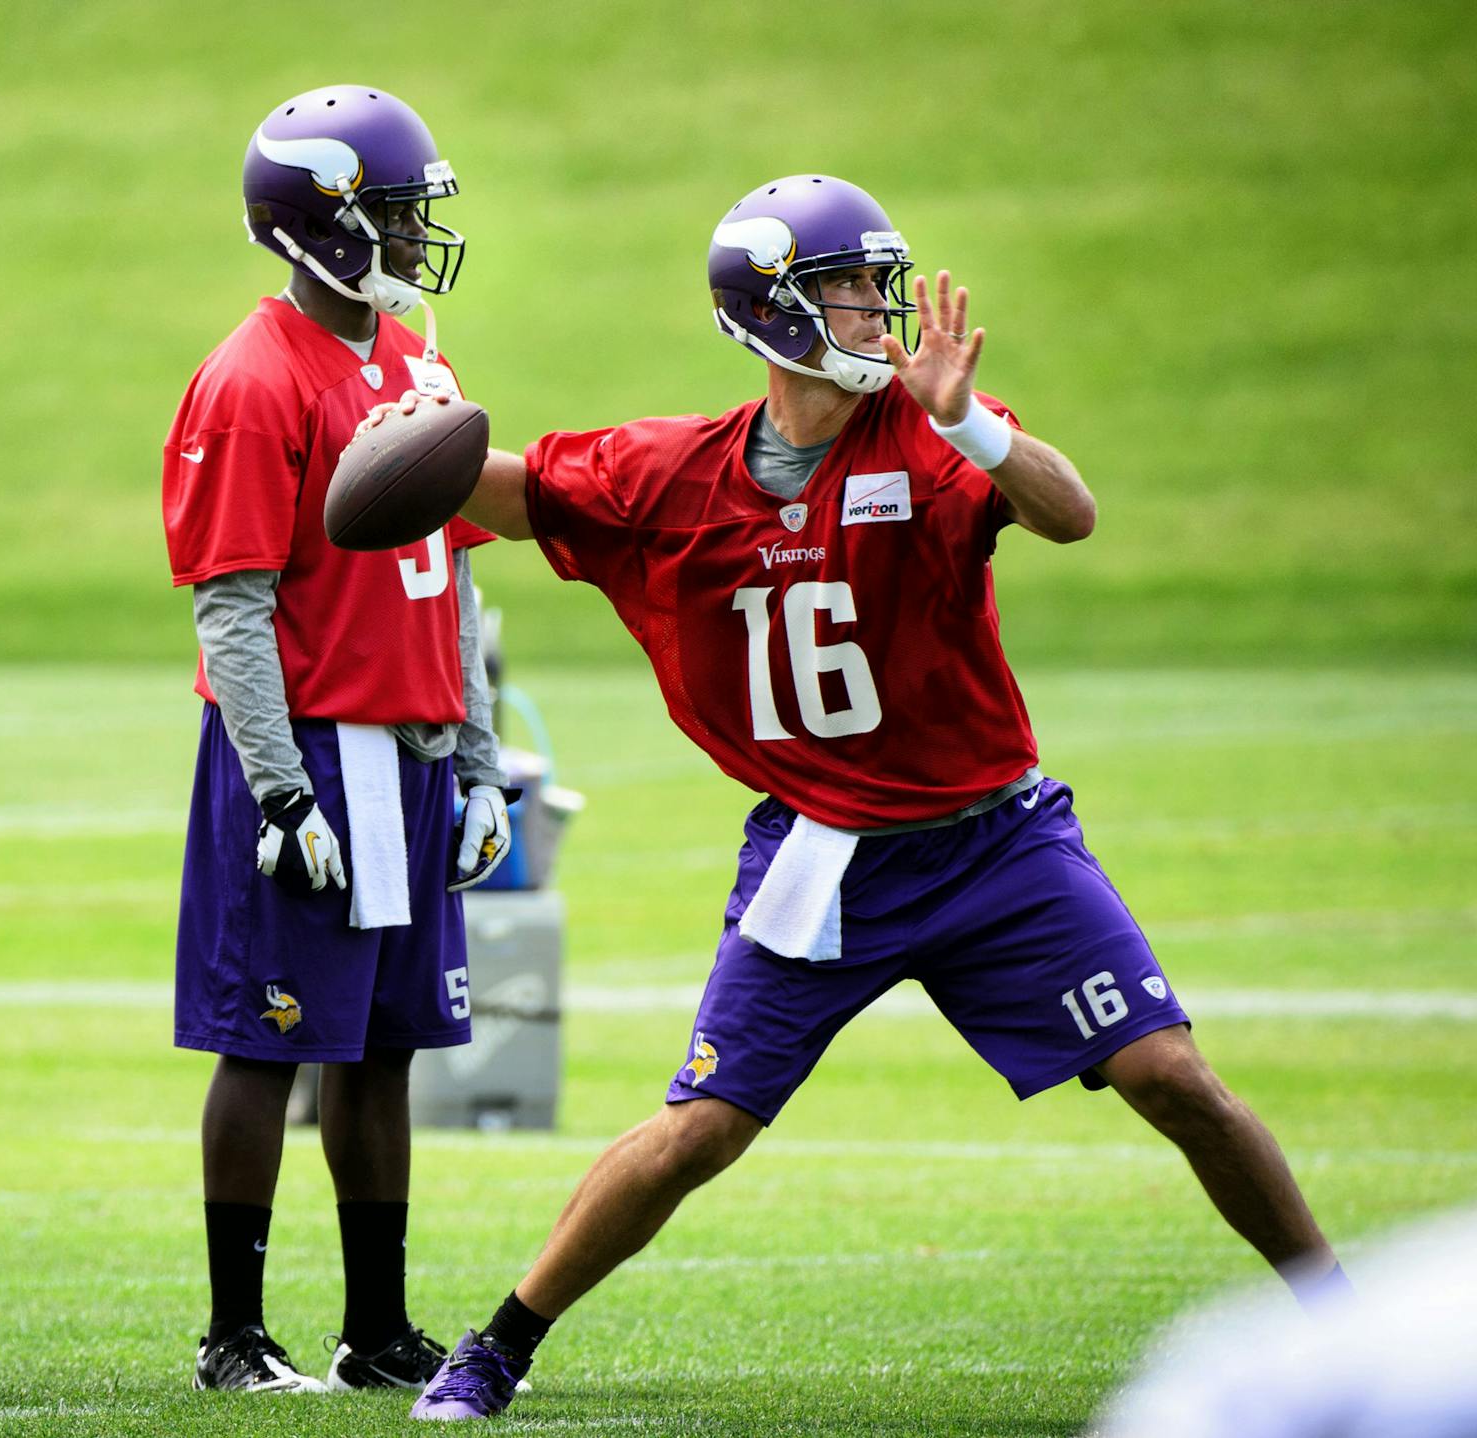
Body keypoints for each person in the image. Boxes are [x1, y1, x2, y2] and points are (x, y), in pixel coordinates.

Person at [390, 175, 1347, 1420]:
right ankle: (498, 1344)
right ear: (769, 313)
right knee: (701, 1128)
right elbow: (507, 492)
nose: (873, 309)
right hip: (822, 853)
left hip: (995, 840)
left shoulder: (931, 431)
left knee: (1172, 1074)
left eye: (873, 284)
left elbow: (1073, 513)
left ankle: (1339, 1314)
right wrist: (413, 434)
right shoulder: (669, 473)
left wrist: (977, 428)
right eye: (843, 286)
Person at [162, 84, 512, 1394]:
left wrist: (477, 760)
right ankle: (235, 1331)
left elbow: (462, 578)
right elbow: (233, 603)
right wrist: (280, 789)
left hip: (413, 750)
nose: (420, 236)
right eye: (401, 211)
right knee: (269, 1036)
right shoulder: (252, 376)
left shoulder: (421, 362)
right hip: (308, 748)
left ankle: (377, 1327)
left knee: (386, 1043)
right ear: (325, 219)